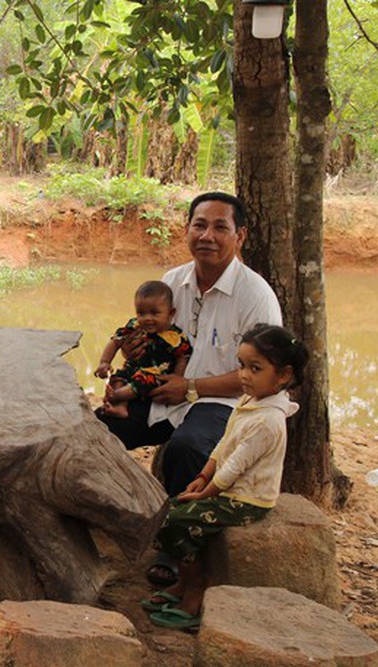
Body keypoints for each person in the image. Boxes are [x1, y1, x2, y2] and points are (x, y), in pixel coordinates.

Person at [94, 191, 282, 587]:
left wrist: (190, 386)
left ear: (240, 235)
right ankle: (98, 515)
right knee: (97, 431)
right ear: (187, 230)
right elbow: (145, 338)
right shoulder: (170, 283)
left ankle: (176, 547)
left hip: (219, 399)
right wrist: (132, 351)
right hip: (160, 390)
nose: (207, 236)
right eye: (199, 225)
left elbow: (260, 377)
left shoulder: (256, 296)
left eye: (220, 227)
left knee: (188, 448)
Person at [142, 324, 309, 630]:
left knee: (178, 521)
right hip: (227, 488)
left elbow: (236, 467)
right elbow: (225, 443)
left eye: (255, 368)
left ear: (283, 375)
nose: (244, 375)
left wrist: (206, 493)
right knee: (171, 512)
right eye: (241, 365)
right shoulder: (249, 401)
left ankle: (196, 590)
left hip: (246, 499)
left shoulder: (268, 420)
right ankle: (184, 584)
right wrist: (204, 474)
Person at [94, 280, 192, 419]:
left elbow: (183, 356)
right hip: (132, 368)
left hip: (155, 375)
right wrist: (104, 362)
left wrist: (176, 378)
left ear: (171, 314)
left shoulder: (175, 337)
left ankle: (117, 396)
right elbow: (116, 341)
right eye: (141, 313)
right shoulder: (134, 325)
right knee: (118, 377)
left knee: (142, 381)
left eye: (154, 313)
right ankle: (121, 407)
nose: (147, 319)